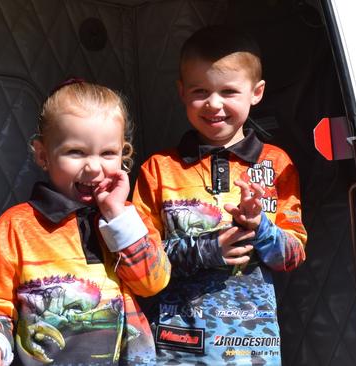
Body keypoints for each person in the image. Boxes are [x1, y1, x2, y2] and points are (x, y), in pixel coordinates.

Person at [132, 25, 308, 365]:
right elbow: (141, 265)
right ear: (181, 91)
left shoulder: (277, 164)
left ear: (256, 92)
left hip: (253, 349)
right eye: (200, 91)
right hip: (177, 348)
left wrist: (260, 227)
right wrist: (206, 250)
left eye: (229, 91)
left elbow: (292, 256)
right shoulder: (158, 168)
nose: (214, 104)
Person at [0, 79, 171, 366]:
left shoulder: (129, 217)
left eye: (108, 153)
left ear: (124, 154)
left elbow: (153, 283)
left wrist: (117, 216)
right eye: (76, 152)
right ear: (42, 154)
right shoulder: (15, 227)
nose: (94, 167)